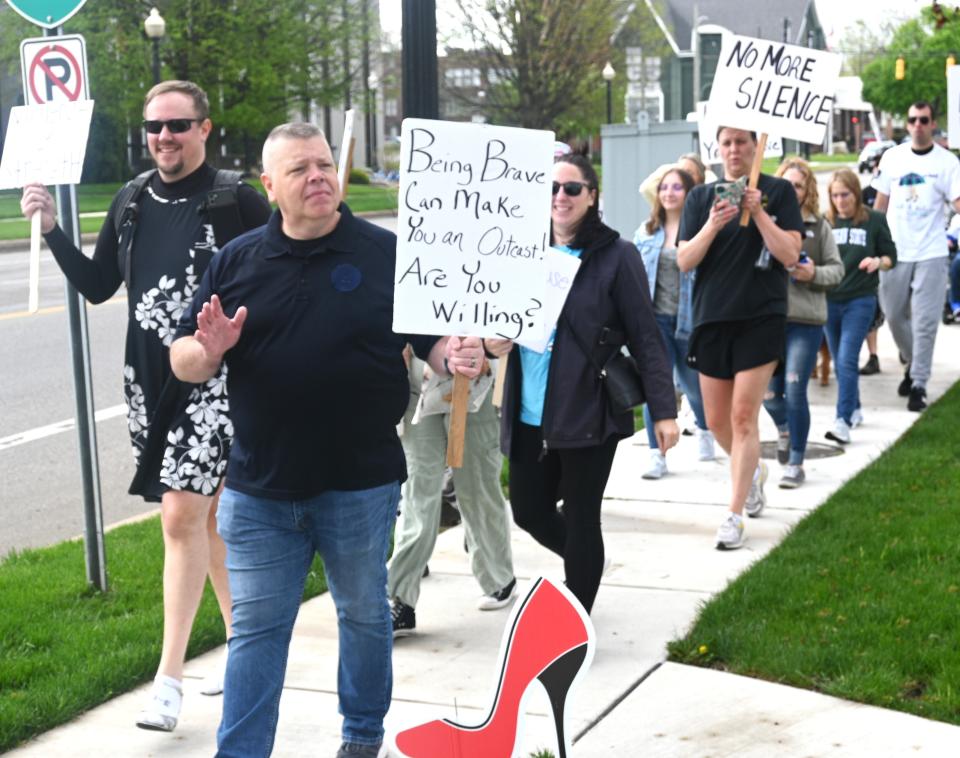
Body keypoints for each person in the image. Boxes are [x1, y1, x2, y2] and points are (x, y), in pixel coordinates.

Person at [169, 122, 485, 758]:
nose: (318, 176)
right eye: (299, 169)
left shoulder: (384, 253)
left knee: (364, 614)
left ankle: (362, 740)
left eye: (323, 164)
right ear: (270, 186)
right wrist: (207, 351)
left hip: (359, 481)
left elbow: (432, 342)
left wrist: (456, 353)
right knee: (257, 631)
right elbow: (183, 358)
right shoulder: (237, 261)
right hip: (260, 487)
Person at [19, 80, 271, 731]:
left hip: (218, 383)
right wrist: (51, 230)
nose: (165, 136)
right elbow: (102, 286)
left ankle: (168, 681)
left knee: (181, 519)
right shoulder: (132, 200)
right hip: (150, 385)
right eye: (155, 126)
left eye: (179, 124)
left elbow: (280, 275)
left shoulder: (235, 199)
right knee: (209, 524)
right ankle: (250, 653)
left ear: (204, 128)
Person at [486, 153, 679, 614]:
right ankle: (584, 563)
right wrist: (493, 342)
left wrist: (664, 410)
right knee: (528, 511)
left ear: (592, 197)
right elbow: (498, 321)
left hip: (589, 410)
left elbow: (646, 337)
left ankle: (576, 618)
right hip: (528, 408)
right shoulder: (520, 250)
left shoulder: (616, 256)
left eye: (572, 188)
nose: (560, 197)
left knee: (582, 515)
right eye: (552, 188)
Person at [677, 127, 803, 550]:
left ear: (756, 146)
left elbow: (789, 254)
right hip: (713, 318)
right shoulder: (700, 198)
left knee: (743, 416)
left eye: (741, 142)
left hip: (761, 317)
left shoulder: (779, 191)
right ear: (718, 149)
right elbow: (683, 260)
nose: (733, 150)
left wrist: (759, 213)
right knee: (715, 421)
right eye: (726, 143)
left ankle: (733, 515)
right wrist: (712, 225)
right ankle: (752, 472)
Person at [388, 353, 515, 637]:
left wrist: (488, 348)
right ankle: (401, 599)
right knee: (417, 493)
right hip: (416, 382)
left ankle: (498, 577)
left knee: (477, 488)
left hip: (476, 382)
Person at [873, 101, 960, 411]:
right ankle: (912, 362)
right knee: (894, 315)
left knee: (925, 322)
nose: (918, 125)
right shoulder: (892, 158)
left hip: (932, 252)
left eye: (924, 120)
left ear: (932, 123)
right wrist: (873, 242)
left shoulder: (948, 163)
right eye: (913, 120)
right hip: (896, 252)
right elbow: (879, 206)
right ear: (907, 124)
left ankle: (919, 383)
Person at [762, 158, 843, 488]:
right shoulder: (765, 222)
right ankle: (784, 428)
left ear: (808, 189)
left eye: (798, 185)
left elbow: (836, 271)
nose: (792, 191)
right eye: (786, 184)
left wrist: (812, 274)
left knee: (795, 389)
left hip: (805, 321)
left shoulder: (818, 226)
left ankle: (796, 461)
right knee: (767, 394)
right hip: (767, 319)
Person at [633, 166, 715, 479]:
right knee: (657, 386)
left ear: (689, 193)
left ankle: (705, 429)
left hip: (690, 322)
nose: (669, 193)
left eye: (676, 187)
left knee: (694, 385)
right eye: (664, 187)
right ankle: (658, 455)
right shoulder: (647, 231)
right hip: (655, 322)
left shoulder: (699, 231)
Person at [824, 169, 897, 444]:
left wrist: (879, 262)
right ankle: (854, 408)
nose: (841, 201)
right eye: (835, 195)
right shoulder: (826, 222)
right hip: (829, 300)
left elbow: (891, 256)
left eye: (846, 194)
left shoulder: (874, 221)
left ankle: (842, 420)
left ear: (856, 193)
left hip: (860, 299)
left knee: (846, 359)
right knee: (839, 362)